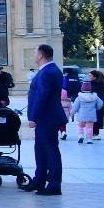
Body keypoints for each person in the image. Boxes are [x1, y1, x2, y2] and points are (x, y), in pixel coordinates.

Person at [26, 45, 66, 196]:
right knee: (41, 150)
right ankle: (39, 180)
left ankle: (54, 184)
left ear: (41, 55)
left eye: (35, 52)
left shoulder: (47, 73)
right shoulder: (49, 70)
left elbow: (42, 96)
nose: (34, 55)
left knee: (50, 150)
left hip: (46, 117)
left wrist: (34, 117)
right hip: (47, 117)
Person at [88, 69, 104, 139]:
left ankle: (94, 134)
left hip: (96, 103)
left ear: (95, 77)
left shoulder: (95, 85)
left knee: (95, 118)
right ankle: (95, 133)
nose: (88, 77)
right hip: (100, 103)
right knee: (97, 118)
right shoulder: (101, 84)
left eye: (90, 76)